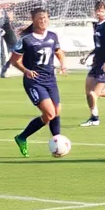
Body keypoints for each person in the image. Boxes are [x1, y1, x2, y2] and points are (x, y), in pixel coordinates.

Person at [10, 8, 67, 157]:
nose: (44, 21)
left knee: (56, 111)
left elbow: (59, 52)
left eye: (46, 18)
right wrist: (26, 71)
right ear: (34, 20)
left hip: (50, 79)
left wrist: (63, 64)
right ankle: (21, 137)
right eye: (40, 18)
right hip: (34, 81)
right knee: (49, 113)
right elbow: (14, 61)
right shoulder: (26, 39)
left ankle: (57, 143)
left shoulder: (53, 36)